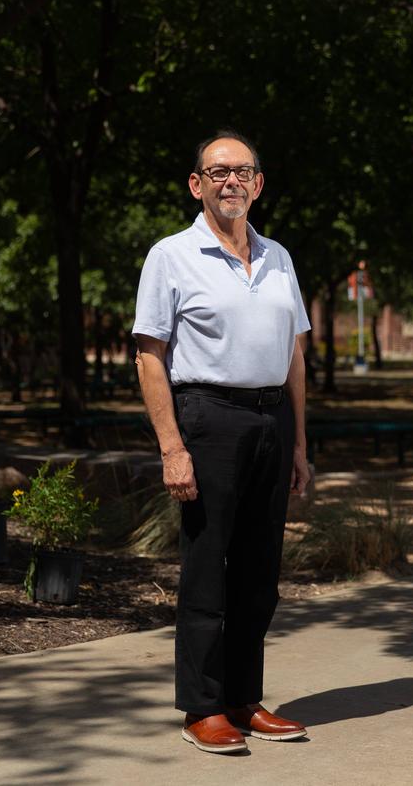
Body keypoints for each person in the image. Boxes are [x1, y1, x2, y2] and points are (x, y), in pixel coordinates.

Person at [132, 130, 312, 755]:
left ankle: (243, 698)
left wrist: (298, 445)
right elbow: (149, 357)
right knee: (208, 568)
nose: (230, 181)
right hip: (208, 418)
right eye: (217, 172)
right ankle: (203, 707)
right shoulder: (171, 256)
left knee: (261, 573)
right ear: (197, 184)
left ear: (258, 184)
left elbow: (294, 354)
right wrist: (172, 448)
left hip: (271, 421)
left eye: (242, 172)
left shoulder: (280, 258)